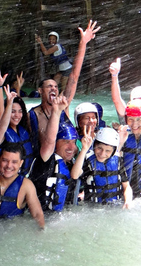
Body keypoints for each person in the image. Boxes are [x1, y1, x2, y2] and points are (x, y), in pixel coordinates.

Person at [28, 20, 100, 149]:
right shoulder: (32, 115)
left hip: (63, 159)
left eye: (55, 87)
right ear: (40, 90)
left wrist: (83, 44)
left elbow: (74, 76)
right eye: (49, 86)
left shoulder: (63, 107)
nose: (54, 89)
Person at [29, 95, 78, 212]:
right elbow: (50, 141)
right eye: (66, 142)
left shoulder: (74, 163)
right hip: (40, 217)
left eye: (73, 142)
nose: (71, 147)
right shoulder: (46, 159)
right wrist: (56, 112)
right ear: (57, 143)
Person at [72, 126, 132, 207]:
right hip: (93, 208)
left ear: (113, 151)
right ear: (94, 146)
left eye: (107, 151)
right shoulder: (88, 161)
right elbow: (74, 175)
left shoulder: (117, 161)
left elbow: (126, 186)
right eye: (99, 148)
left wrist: (128, 201)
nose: (102, 153)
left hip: (115, 206)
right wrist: (84, 149)